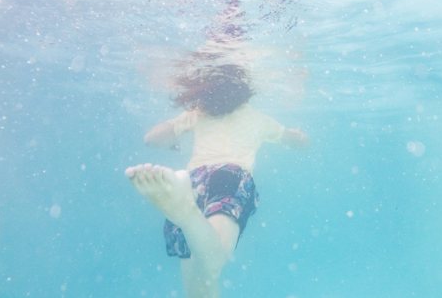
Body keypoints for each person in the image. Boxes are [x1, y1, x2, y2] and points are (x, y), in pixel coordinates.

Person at [125, 64, 310, 298]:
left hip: (193, 181)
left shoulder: (196, 113)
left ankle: (185, 210)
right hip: (229, 176)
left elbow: (151, 139)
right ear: (244, 91)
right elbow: (297, 142)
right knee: (213, 263)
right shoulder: (257, 119)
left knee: (199, 285)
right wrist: (300, 135)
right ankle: (186, 213)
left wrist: (173, 133)